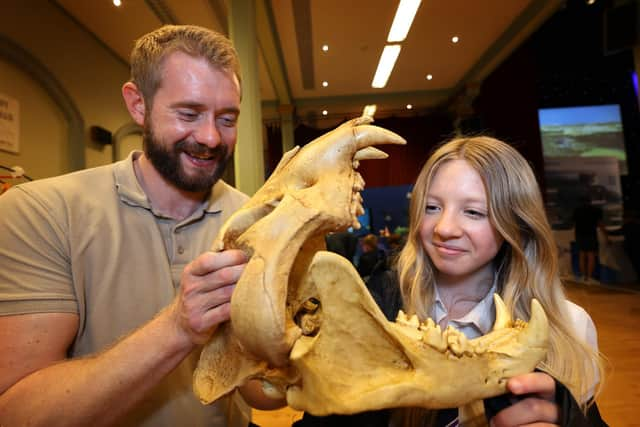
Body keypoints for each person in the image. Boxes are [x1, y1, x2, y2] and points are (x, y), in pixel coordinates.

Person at [0, 25, 283, 427]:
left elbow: (260, 394)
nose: (210, 137)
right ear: (138, 105)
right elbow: (17, 414)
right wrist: (179, 325)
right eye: (189, 113)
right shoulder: (39, 212)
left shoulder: (256, 220)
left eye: (227, 119)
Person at [296, 136, 606, 426]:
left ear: (516, 223)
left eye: (473, 212)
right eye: (432, 207)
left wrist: (568, 417)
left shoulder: (568, 327)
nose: (444, 228)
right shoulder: (374, 310)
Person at [572, 196, 608, 283]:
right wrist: (606, 236)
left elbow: (573, 223)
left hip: (579, 235)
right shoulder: (596, 210)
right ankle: (589, 277)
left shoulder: (577, 210)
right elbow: (600, 224)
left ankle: (583, 277)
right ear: (590, 201)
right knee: (591, 255)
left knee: (582, 255)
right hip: (591, 234)